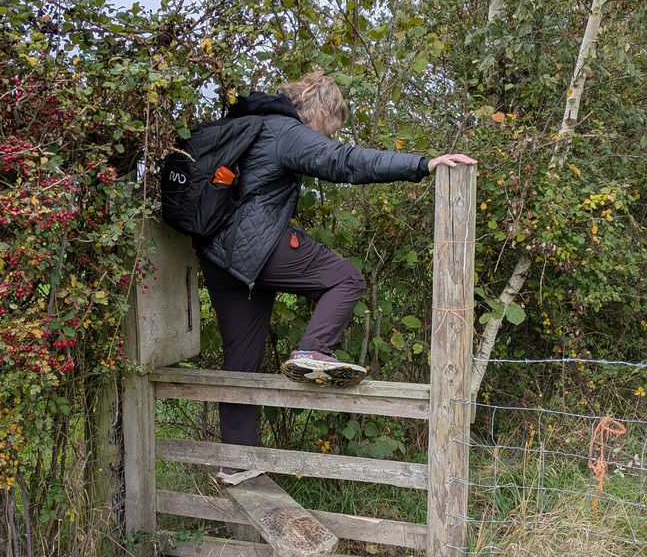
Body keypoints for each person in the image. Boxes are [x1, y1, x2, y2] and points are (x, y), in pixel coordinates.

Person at [191, 68, 476, 482]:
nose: (328, 138)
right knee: (346, 280)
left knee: (240, 363)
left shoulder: (247, 125)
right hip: (254, 246)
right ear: (320, 109)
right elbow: (344, 162)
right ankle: (312, 349)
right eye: (330, 128)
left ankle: (236, 461)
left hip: (218, 257)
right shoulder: (285, 130)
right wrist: (422, 164)